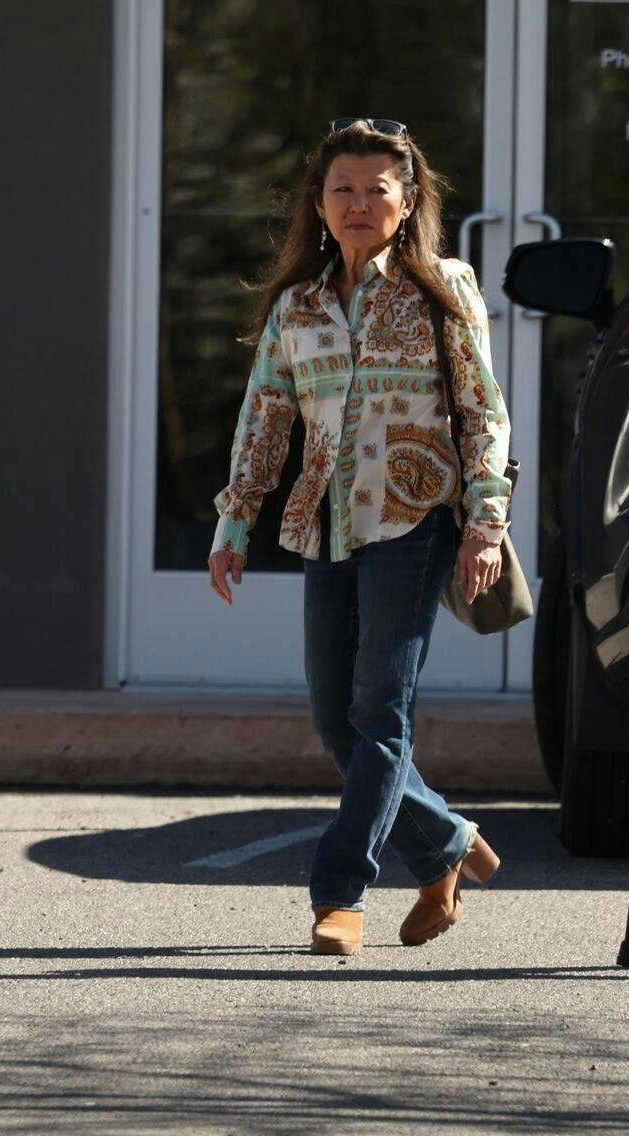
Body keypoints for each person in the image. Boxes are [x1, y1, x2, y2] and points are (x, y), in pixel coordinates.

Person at [209, 119, 511, 956]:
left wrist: (486, 522)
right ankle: (446, 844)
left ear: (408, 203)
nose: (358, 203)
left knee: (379, 711)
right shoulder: (297, 305)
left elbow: (484, 410)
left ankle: (339, 896)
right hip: (325, 521)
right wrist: (235, 522)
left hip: (414, 518)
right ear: (319, 200)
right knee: (334, 718)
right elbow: (265, 420)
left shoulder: (443, 286)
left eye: (378, 189)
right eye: (343, 187)